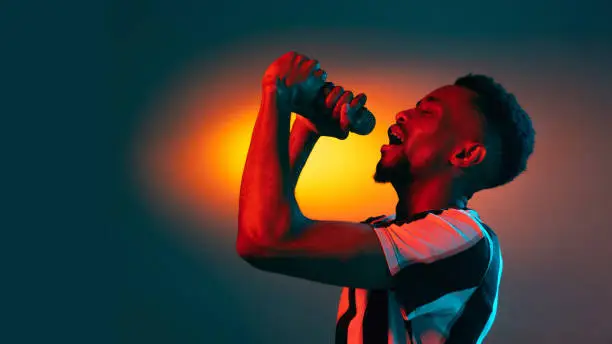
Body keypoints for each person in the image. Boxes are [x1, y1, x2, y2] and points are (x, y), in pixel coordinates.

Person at [237, 51, 535, 343]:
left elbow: (265, 239)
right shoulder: (389, 231)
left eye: (428, 112)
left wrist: (277, 92)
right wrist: (308, 127)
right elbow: (264, 225)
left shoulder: (462, 237)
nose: (403, 113)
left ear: (465, 154)